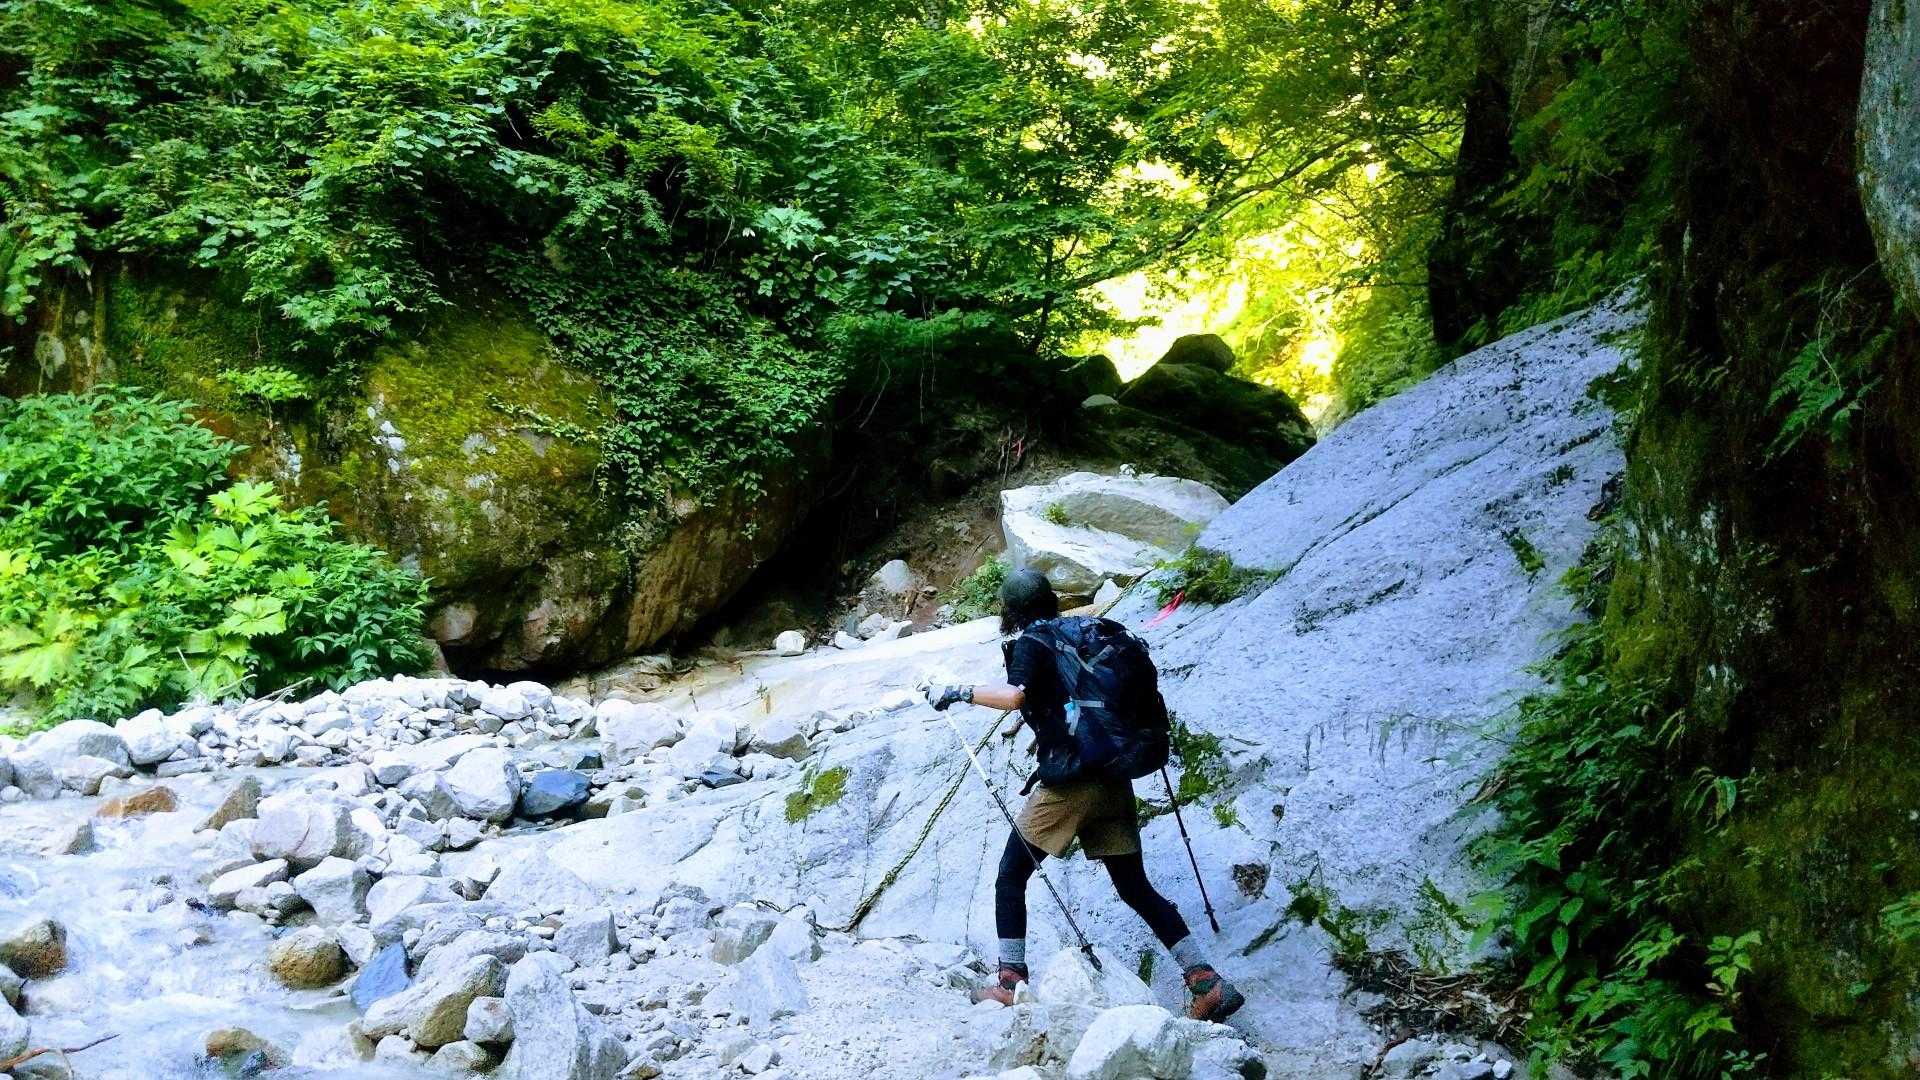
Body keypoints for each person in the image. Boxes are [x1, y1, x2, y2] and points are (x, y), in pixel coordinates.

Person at [924, 568, 1246, 1023]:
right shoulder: (1084, 634)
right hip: (1114, 776)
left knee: (1011, 874)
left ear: (1010, 610)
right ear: (1051, 601)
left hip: (1072, 785)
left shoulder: (1032, 642)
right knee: (1135, 887)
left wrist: (958, 692)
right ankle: (1206, 983)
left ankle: (1009, 982)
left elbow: (1014, 697)